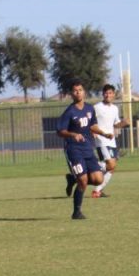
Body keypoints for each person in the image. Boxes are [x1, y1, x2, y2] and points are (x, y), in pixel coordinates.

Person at [57, 81, 104, 220]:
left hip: (87, 148)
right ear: (72, 94)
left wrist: (103, 133)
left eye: (80, 90)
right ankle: (76, 212)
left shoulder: (89, 108)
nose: (78, 92)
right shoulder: (69, 112)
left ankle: (72, 178)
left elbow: (93, 125)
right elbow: (60, 131)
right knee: (83, 181)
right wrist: (72, 134)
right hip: (73, 149)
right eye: (75, 90)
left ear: (84, 92)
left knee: (98, 179)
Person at [90, 84, 130, 198]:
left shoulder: (115, 108)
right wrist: (93, 132)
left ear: (114, 94)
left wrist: (124, 123)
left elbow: (116, 124)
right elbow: (90, 122)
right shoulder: (96, 107)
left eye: (110, 93)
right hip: (101, 140)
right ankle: (88, 166)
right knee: (110, 164)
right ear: (103, 94)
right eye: (106, 93)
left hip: (111, 141)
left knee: (112, 168)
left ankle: (97, 190)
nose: (108, 95)